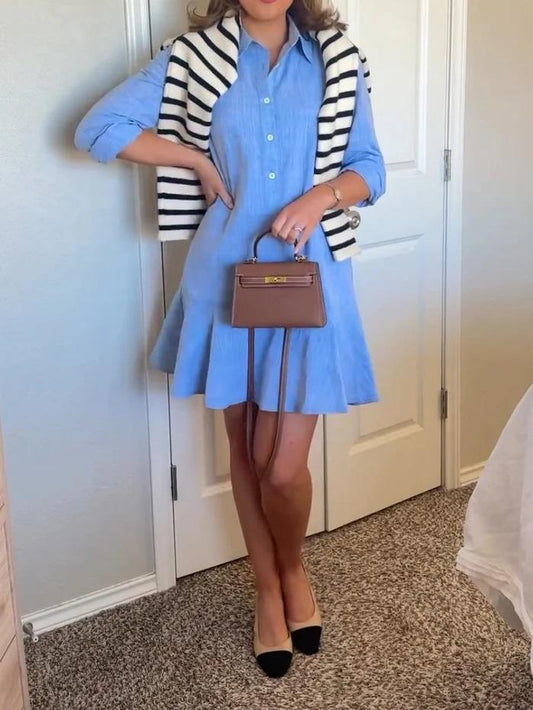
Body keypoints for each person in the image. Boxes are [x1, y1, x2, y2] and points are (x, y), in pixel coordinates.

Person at [74, 0, 386, 679]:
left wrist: (319, 198)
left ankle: (293, 567)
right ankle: (268, 590)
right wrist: (191, 157)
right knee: (244, 449)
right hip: (224, 278)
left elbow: (370, 168)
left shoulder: (336, 59)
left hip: (309, 278)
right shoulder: (194, 57)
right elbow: (98, 128)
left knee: (281, 465)